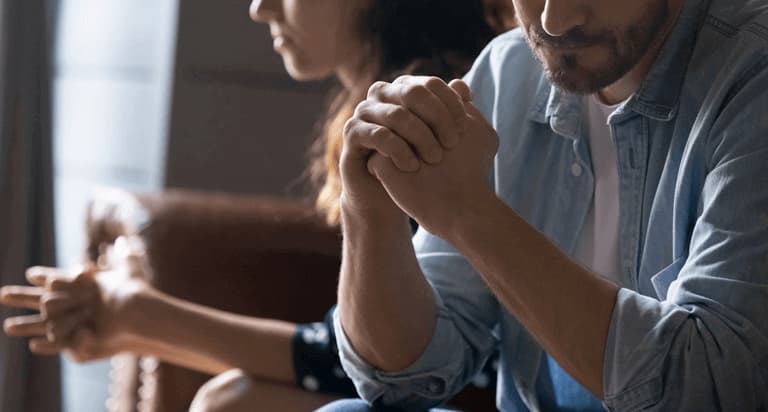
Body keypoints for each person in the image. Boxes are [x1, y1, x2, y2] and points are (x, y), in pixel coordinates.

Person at [0, 0, 514, 411]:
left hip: (478, 391)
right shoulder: (389, 106)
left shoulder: (433, 113)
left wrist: (138, 317)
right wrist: (131, 323)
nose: (260, 8)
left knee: (233, 404)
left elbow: (373, 364)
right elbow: (347, 352)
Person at [323, 0, 768, 410]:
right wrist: (368, 208)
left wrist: (470, 214)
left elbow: (712, 387)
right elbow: (402, 378)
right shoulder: (510, 70)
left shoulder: (753, 72)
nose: (555, 21)